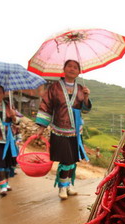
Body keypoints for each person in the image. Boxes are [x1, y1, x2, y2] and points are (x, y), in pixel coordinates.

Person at [35, 59, 92, 200]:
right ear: (64, 69)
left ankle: (68, 184)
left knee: (73, 160)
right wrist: (41, 127)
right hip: (59, 130)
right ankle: (62, 187)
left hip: (75, 131)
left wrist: (86, 97)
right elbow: (46, 106)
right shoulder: (54, 88)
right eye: (69, 66)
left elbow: (85, 110)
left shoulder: (80, 89)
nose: (72, 69)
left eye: (75, 67)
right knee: (66, 160)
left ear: (79, 72)